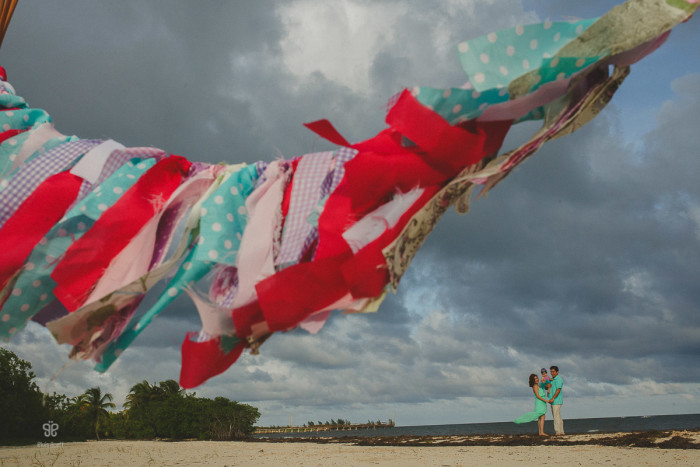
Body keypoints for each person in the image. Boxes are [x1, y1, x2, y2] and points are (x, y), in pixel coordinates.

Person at [548, 365, 564, 435]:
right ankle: (561, 431)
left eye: (553, 372)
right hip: (553, 401)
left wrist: (553, 398)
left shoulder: (559, 379)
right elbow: (547, 387)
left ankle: (557, 431)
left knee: (556, 416)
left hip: (556, 401)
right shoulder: (552, 379)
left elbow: (558, 390)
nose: (552, 373)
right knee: (558, 416)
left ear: (557, 372)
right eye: (551, 372)